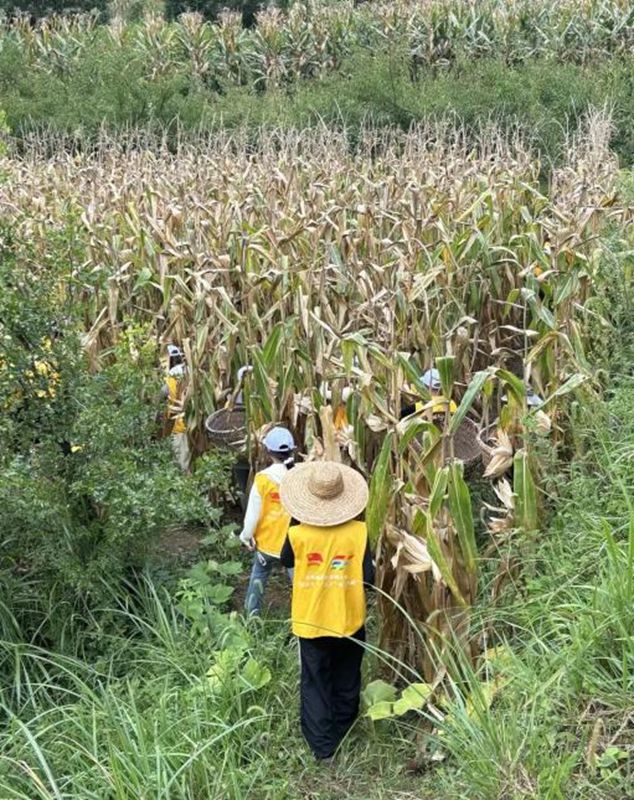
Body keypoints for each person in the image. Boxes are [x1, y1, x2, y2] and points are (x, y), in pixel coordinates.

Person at [279, 461, 374, 762]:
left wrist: (297, 523)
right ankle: (344, 729)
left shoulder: (298, 534)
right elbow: (368, 578)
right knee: (347, 676)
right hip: (349, 618)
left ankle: (323, 747)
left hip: (311, 619)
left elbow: (285, 561)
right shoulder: (359, 532)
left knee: (315, 681)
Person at [239, 426, 296, 616]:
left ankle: (251, 617)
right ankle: (302, 622)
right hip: (293, 545)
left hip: (267, 544)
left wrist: (247, 536)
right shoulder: (298, 477)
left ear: (268, 451)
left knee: (259, 576)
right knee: (299, 586)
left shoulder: (263, 478)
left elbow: (253, 513)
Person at [160, 344, 190, 473]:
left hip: (177, 427)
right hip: (187, 426)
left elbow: (159, 399)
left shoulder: (171, 379)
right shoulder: (188, 373)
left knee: (180, 461)